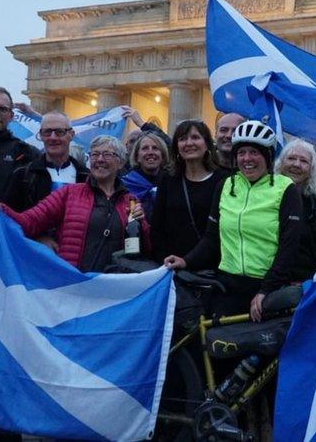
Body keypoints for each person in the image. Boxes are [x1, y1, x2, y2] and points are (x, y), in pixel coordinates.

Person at [163, 120, 303, 322]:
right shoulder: (226, 185)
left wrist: (266, 290)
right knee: (219, 349)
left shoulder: (285, 188)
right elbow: (211, 239)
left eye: (254, 152)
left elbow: (288, 248)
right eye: (241, 152)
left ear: (267, 155)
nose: (247, 158)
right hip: (227, 286)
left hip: (267, 287)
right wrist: (186, 260)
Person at [0, 135, 147, 273]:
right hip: (72, 283)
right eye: (95, 154)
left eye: (107, 154)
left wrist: (142, 225)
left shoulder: (131, 201)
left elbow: (145, 247)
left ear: (121, 162)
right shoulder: (70, 193)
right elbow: (29, 221)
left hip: (113, 285)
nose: (99, 159)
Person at [150, 120, 228, 262]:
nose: (189, 143)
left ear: (207, 144)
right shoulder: (168, 179)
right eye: (183, 139)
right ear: (176, 146)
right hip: (172, 265)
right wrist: (164, 259)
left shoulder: (223, 180)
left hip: (212, 267)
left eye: (195, 137)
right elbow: (157, 226)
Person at [275, 139, 316, 281]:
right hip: (274, 282)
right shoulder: (267, 198)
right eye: (291, 158)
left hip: (312, 284)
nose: (296, 164)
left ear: (312, 169)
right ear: (281, 163)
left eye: (303, 161)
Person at [4, 112, 89, 213]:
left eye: (59, 132)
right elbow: (10, 217)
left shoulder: (86, 177)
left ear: (71, 134)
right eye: (47, 132)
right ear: (40, 135)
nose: (53, 137)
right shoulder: (23, 176)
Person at [122, 131, 170, 220]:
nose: (150, 152)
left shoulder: (173, 183)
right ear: (137, 157)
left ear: (163, 156)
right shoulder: (124, 186)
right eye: (145, 148)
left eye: (155, 148)